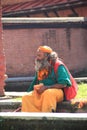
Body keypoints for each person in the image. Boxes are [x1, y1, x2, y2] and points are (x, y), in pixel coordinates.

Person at [21, 45, 77, 112]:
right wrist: (28, 93)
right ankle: (31, 119)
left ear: (47, 56)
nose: (37, 57)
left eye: (39, 55)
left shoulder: (58, 65)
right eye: (37, 55)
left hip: (59, 92)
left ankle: (47, 117)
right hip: (43, 91)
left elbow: (64, 83)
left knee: (48, 93)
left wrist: (47, 87)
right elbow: (35, 82)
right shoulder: (40, 67)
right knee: (26, 97)